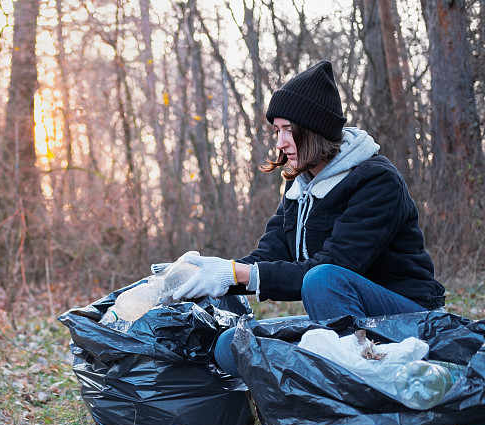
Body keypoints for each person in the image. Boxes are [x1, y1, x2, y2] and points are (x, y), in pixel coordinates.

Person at [167, 60, 446, 376]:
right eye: (277, 130)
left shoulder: (376, 181)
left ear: (314, 129)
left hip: (407, 321)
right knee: (233, 344)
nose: (280, 143)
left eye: (288, 130)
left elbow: (336, 269)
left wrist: (237, 274)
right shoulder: (298, 186)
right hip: (346, 325)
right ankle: (329, 375)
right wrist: (205, 276)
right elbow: (269, 255)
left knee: (323, 279)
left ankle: (367, 380)